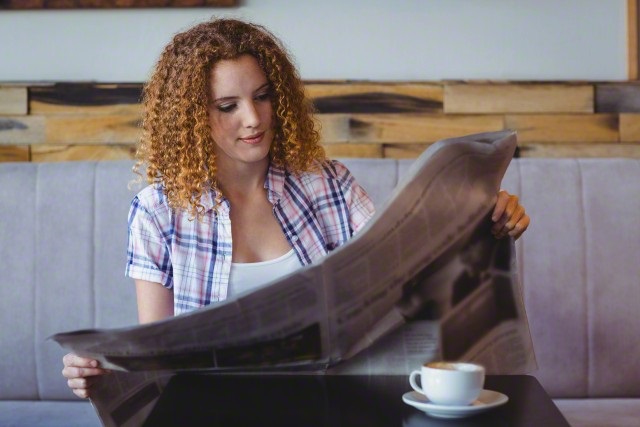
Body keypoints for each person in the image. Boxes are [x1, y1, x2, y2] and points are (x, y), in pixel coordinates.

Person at [61, 18, 530, 399]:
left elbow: (413, 271)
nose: (253, 118)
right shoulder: (157, 213)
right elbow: (154, 358)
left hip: (326, 405)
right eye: (227, 106)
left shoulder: (329, 185)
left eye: (263, 96)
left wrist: (485, 219)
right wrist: (97, 373)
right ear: (191, 118)